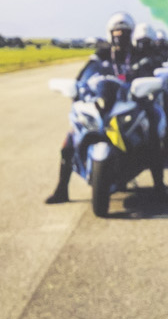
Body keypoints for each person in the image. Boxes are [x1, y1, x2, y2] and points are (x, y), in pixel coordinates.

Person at [46, 14, 138, 202]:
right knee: (69, 143)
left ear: (130, 34)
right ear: (110, 33)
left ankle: (159, 187)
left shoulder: (138, 55)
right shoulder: (101, 54)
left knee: (150, 133)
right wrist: (77, 89)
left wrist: (143, 86)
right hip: (101, 104)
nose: (120, 36)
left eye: (124, 33)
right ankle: (61, 189)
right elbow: (84, 76)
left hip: (126, 104)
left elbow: (147, 72)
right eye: (116, 32)